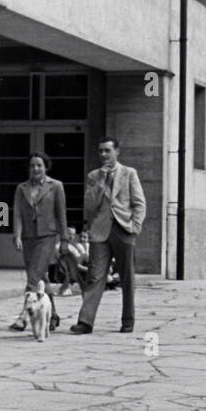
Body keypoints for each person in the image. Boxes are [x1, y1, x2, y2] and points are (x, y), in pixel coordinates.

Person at [70, 138, 146, 334]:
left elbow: (139, 203)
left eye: (107, 151)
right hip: (100, 232)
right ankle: (85, 321)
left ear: (117, 152)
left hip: (123, 229)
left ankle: (128, 320)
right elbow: (89, 206)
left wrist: (134, 226)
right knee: (95, 277)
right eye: (100, 151)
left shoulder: (129, 174)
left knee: (126, 277)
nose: (103, 154)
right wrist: (100, 184)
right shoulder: (94, 176)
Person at [9, 153, 67, 332]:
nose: (36, 169)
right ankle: (54, 315)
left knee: (33, 278)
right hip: (28, 238)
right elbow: (17, 213)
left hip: (47, 237)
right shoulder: (21, 188)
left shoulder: (56, 186)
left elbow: (61, 214)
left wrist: (64, 239)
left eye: (39, 165)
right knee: (42, 278)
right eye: (32, 165)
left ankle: (23, 317)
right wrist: (17, 235)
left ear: (46, 167)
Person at [55, 227, 87, 295]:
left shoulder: (73, 248)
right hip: (61, 272)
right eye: (69, 234)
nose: (71, 236)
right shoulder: (58, 247)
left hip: (73, 270)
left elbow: (79, 261)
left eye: (73, 234)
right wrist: (86, 269)